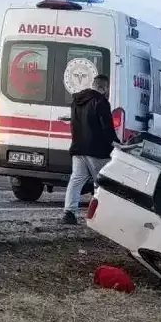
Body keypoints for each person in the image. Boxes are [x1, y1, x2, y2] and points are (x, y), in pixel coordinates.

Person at [61, 74, 119, 225]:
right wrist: (116, 143)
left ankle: (69, 212)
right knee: (102, 182)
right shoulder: (101, 101)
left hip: (78, 148)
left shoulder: (77, 101)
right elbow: (106, 127)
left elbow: (75, 124)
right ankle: (101, 216)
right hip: (97, 151)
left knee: (76, 180)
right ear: (104, 88)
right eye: (107, 89)